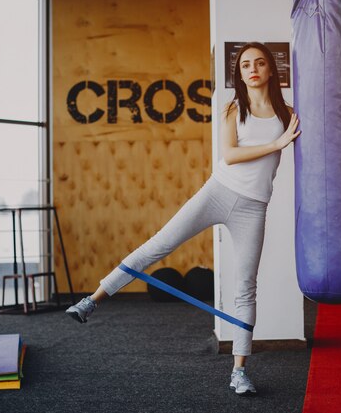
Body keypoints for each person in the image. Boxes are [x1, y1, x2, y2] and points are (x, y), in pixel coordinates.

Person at [65, 41, 300, 396]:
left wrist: (284, 138)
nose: (253, 69)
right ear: (239, 73)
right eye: (246, 64)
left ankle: (239, 371)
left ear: (271, 70)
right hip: (218, 192)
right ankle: (92, 300)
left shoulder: (289, 115)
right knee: (160, 243)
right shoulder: (232, 109)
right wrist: (276, 144)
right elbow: (230, 155)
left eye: (260, 63)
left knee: (246, 286)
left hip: (254, 207)